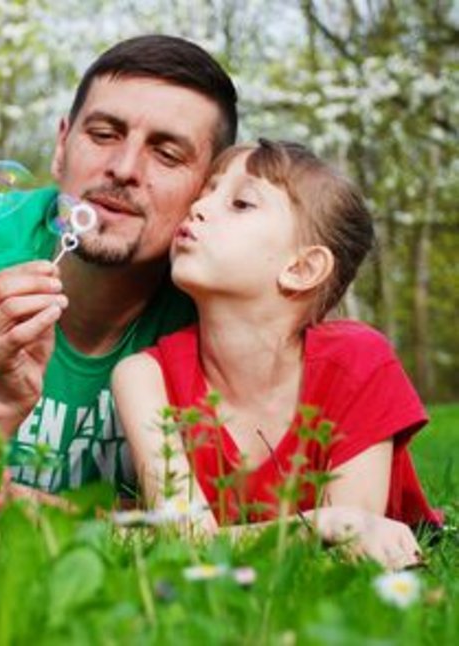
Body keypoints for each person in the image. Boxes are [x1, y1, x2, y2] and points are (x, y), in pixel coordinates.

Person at [0, 34, 238, 504]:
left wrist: (30, 512)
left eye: (167, 153)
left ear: (207, 190)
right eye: (103, 135)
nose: (123, 167)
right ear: (61, 147)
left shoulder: (222, 296)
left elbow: (226, 527)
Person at [111, 139, 441, 569]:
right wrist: (318, 523)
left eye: (241, 203)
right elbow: (185, 540)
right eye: (205, 192)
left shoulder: (359, 362)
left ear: (301, 268)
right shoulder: (142, 376)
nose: (199, 207)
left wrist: (337, 526)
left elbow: (355, 542)